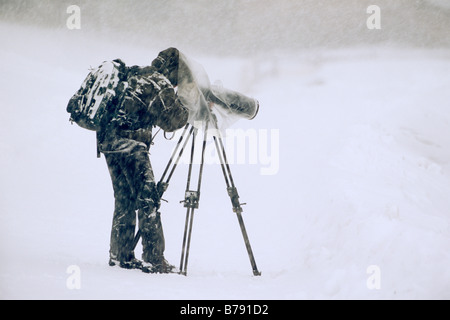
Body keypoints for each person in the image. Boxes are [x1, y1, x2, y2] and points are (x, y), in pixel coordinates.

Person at [97, 48, 188, 273]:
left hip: (109, 142)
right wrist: (190, 105)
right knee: (148, 199)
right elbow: (173, 121)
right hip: (131, 146)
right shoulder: (160, 83)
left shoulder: (138, 74)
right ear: (174, 72)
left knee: (125, 198)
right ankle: (155, 259)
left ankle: (121, 255)